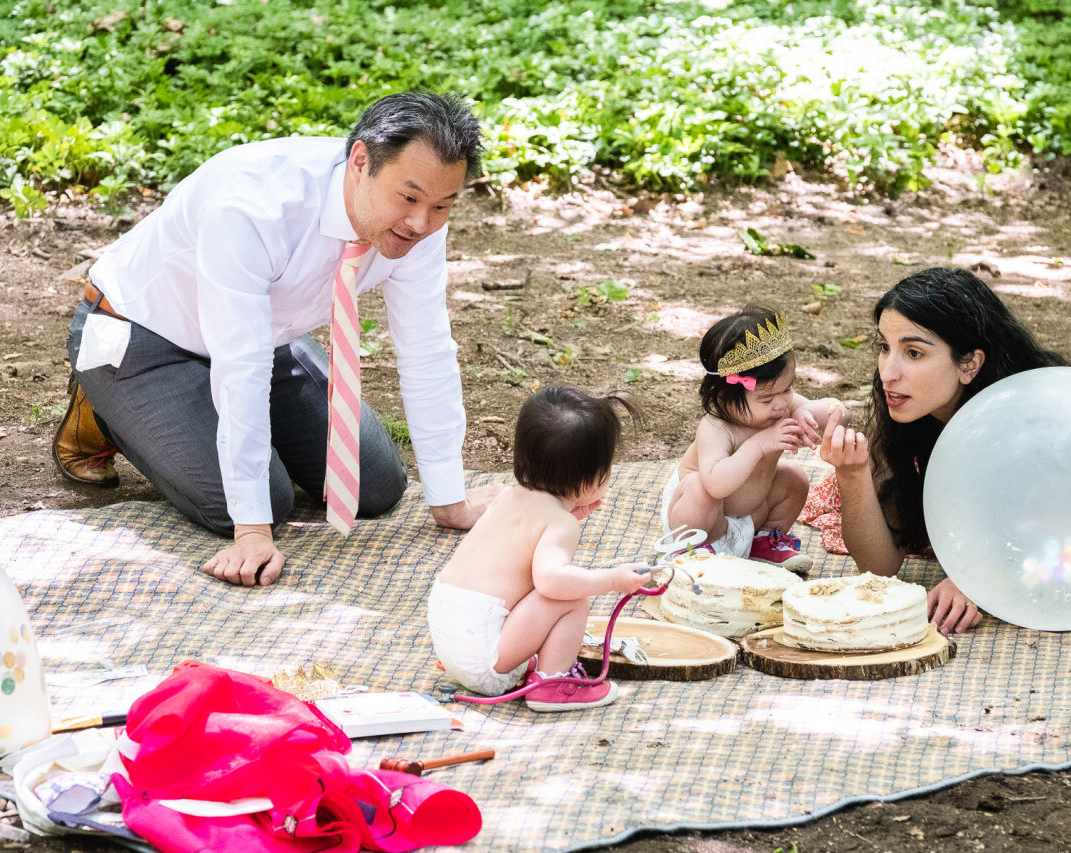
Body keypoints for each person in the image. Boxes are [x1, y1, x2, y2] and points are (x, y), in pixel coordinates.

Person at [52, 91, 501, 587]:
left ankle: (201, 428)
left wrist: (449, 498)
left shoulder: (422, 219)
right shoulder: (254, 205)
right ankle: (105, 412)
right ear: (360, 162)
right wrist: (250, 530)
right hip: (140, 336)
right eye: (410, 198)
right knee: (264, 501)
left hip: (267, 336)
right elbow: (239, 366)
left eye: (442, 205)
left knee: (376, 486)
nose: (421, 222)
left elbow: (427, 349)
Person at [816, 267, 1068, 633]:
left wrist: (981, 580)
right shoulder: (905, 412)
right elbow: (880, 567)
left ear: (969, 364)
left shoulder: (1028, 430)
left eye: (914, 353)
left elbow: (1067, 538)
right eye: (885, 347)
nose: (888, 372)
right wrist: (852, 475)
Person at [427, 385, 647, 712]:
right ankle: (553, 683)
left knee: (541, 593)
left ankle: (521, 664)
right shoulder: (560, 524)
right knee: (570, 599)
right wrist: (613, 579)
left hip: (450, 636)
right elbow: (551, 581)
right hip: (482, 656)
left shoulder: (507, 496)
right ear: (591, 477)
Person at [662, 306, 846, 572]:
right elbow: (715, 485)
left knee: (794, 478)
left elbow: (838, 412)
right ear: (723, 398)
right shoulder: (717, 427)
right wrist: (759, 445)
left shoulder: (783, 404)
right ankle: (688, 554)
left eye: (788, 389)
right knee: (697, 488)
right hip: (702, 523)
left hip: (748, 517)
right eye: (767, 398)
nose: (782, 403)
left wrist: (809, 411)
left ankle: (764, 542)